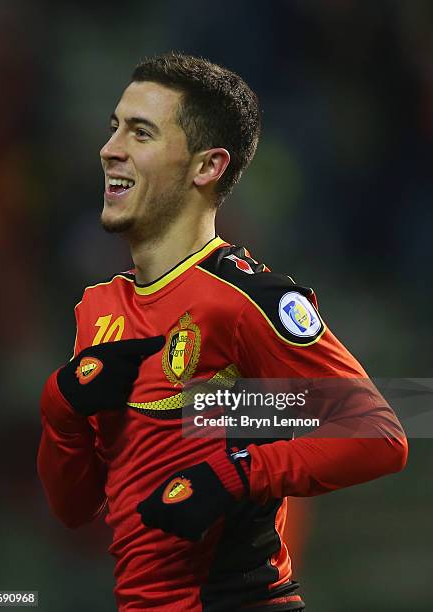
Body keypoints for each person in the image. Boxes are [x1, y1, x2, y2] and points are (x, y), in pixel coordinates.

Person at [38, 53, 408, 611]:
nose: (110, 148)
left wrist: (239, 470)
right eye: (114, 127)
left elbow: (378, 434)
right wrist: (61, 410)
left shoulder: (246, 299)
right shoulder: (97, 308)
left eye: (141, 133)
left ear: (206, 167)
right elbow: (74, 508)